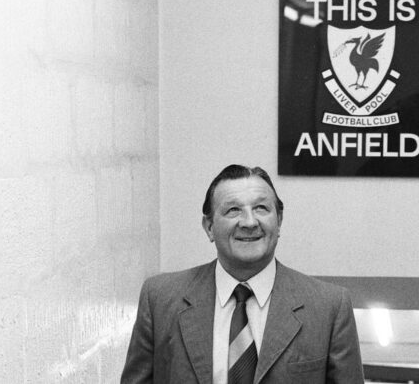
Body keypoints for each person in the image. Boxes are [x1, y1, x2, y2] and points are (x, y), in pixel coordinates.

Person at [121, 164, 364, 384]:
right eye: (233, 210)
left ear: (278, 221)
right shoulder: (160, 299)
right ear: (209, 227)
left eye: (261, 208)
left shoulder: (329, 306)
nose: (249, 222)